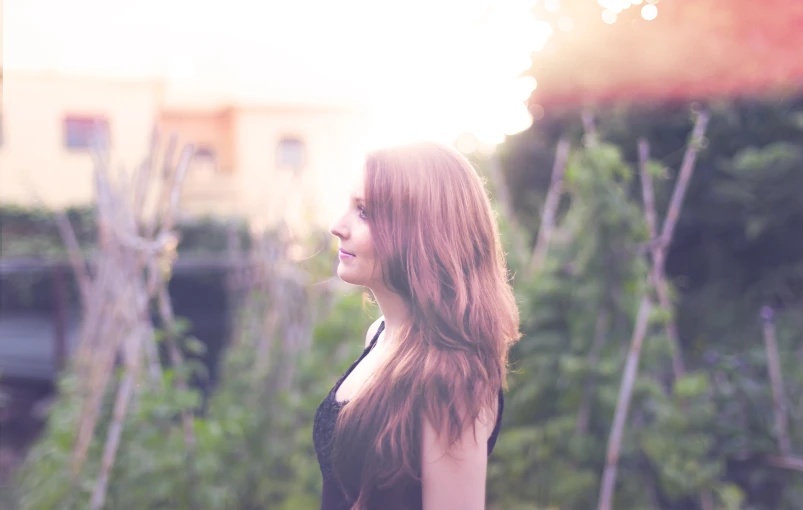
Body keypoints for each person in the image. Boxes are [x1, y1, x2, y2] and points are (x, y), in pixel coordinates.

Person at [313, 142, 521, 510]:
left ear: (419, 233)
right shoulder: (379, 335)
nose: (336, 227)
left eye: (363, 212)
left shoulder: (451, 379)